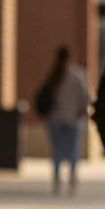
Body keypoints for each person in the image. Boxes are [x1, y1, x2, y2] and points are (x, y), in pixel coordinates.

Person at [37, 45, 91, 195]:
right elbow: (86, 97)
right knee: (73, 150)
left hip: (54, 118)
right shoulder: (78, 75)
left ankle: (57, 181)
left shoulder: (53, 75)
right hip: (73, 118)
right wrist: (82, 111)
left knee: (57, 150)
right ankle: (72, 179)